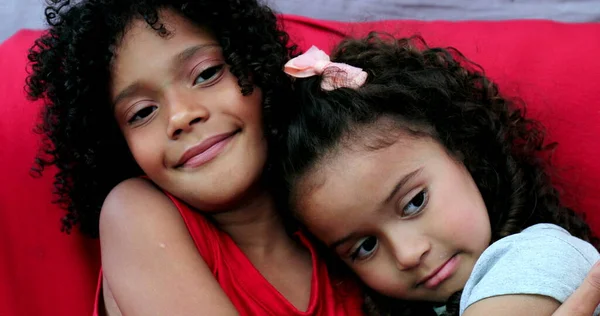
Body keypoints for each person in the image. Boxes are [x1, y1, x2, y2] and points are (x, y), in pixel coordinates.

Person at [26, 0, 363, 315]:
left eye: (206, 74)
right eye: (142, 112)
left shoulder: (351, 240)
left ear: (256, 65)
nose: (180, 116)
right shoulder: (134, 215)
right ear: (117, 144)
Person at [278, 34, 600, 315]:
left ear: (462, 148)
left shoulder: (540, 257)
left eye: (415, 202)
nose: (407, 254)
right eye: (365, 246)